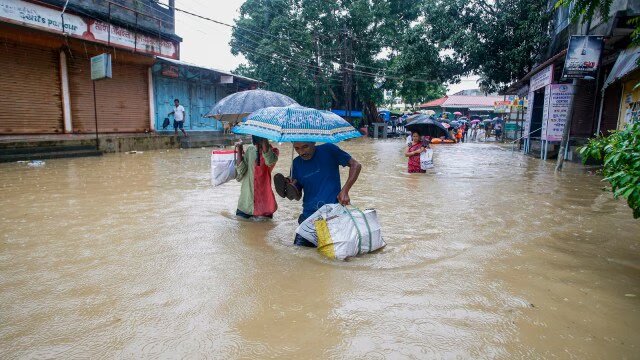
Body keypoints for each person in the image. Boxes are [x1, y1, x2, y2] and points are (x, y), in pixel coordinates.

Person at [274, 142, 362, 247]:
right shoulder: (296, 163)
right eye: (297, 148)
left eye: (305, 146)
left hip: (332, 216)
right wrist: (291, 188)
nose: (301, 152)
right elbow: (298, 196)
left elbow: (356, 165)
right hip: (308, 217)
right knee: (298, 253)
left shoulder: (329, 150)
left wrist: (345, 191)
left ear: (313, 142)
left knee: (333, 256)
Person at [234, 136, 279, 219]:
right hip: (246, 203)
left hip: (264, 205)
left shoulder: (274, 152)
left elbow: (269, 161)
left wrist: (263, 141)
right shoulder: (250, 150)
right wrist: (239, 149)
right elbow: (241, 171)